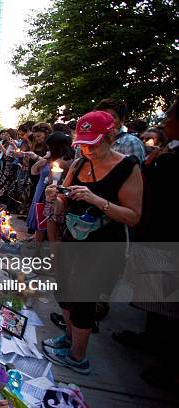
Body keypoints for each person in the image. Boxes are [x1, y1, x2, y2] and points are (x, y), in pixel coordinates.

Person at [42, 110, 142, 375]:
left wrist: (96, 200)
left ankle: (78, 356)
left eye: (93, 143)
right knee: (63, 289)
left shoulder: (127, 167)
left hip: (103, 244)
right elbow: (64, 202)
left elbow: (133, 216)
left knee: (84, 299)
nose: (87, 149)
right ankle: (69, 337)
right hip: (74, 237)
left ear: (110, 136)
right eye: (82, 143)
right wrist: (56, 198)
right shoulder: (79, 164)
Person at [113, 96, 179, 389]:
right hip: (155, 228)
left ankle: (166, 359)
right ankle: (152, 338)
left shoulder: (160, 154)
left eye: (171, 117)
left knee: (166, 295)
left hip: (167, 229)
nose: (165, 123)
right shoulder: (165, 153)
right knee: (155, 294)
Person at [26, 131, 74, 243]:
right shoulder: (73, 160)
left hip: (52, 199)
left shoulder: (57, 162)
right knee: (57, 233)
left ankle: (51, 259)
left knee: (51, 234)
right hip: (65, 199)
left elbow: (52, 182)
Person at [95, 98, 146, 163]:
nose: (106, 121)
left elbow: (137, 171)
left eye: (112, 117)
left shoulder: (131, 142)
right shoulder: (91, 142)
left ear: (122, 120)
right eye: (102, 117)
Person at [0, 128, 18, 200]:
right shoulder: (6, 142)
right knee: (2, 178)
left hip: (9, 164)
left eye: (7, 135)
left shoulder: (13, 142)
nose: (5, 136)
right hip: (4, 163)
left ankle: (3, 196)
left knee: (6, 179)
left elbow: (7, 153)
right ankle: (0, 194)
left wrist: (0, 145)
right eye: (5, 134)